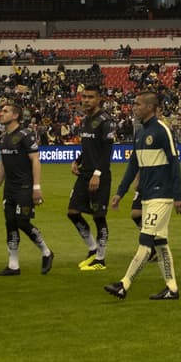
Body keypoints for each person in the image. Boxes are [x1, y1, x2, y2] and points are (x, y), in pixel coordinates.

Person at [104, 92, 181, 300]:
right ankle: (172, 288)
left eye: (138, 104)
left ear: (150, 107)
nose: (134, 107)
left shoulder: (162, 130)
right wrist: (120, 192)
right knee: (160, 242)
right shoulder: (140, 133)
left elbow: (174, 162)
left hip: (162, 195)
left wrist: (178, 196)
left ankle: (124, 284)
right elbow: (133, 165)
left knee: (145, 239)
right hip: (148, 195)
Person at [0, 103, 54, 275]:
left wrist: (37, 187)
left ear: (16, 115)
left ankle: (47, 252)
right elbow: (3, 163)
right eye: (1, 111)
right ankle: (13, 265)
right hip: (9, 189)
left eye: (5, 111)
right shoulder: (3, 138)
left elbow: (35, 160)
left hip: (25, 187)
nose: (1, 114)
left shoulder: (26, 135)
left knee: (22, 222)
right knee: (10, 223)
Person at [71, 88, 114, 270]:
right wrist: (78, 160)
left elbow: (106, 150)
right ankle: (92, 248)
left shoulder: (105, 121)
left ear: (99, 99)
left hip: (99, 176)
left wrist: (97, 173)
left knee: (98, 216)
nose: (86, 100)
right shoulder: (86, 120)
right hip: (84, 174)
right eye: (84, 97)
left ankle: (101, 259)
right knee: (72, 212)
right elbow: (88, 147)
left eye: (90, 97)